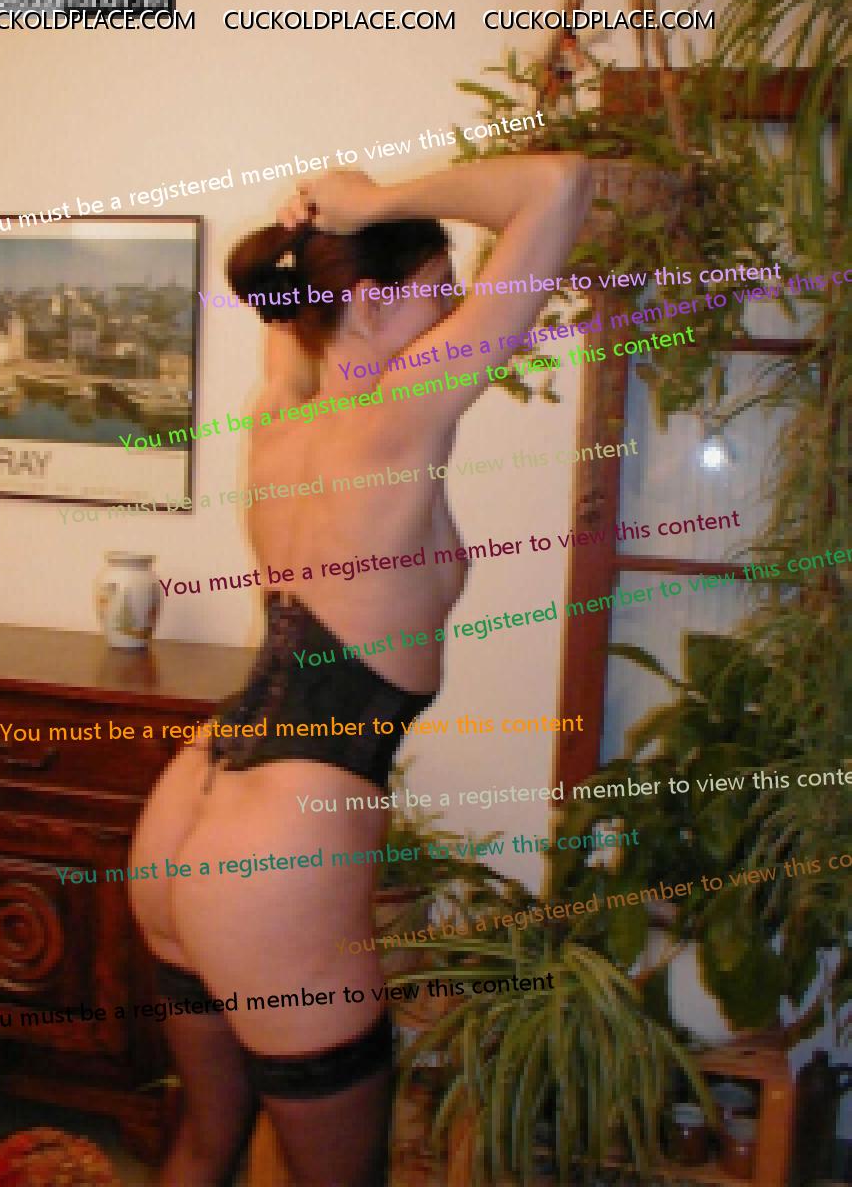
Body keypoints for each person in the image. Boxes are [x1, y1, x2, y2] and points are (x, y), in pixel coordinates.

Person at [129, 153, 590, 1186]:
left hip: (188, 811)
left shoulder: (277, 411)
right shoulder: (401, 418)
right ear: (374, 302)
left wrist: (326, 220)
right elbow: (558, 187)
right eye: (439, 290)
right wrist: (380, 204)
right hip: (275, 857)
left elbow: (300, 319)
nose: (455, 313)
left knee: (203, 1145)